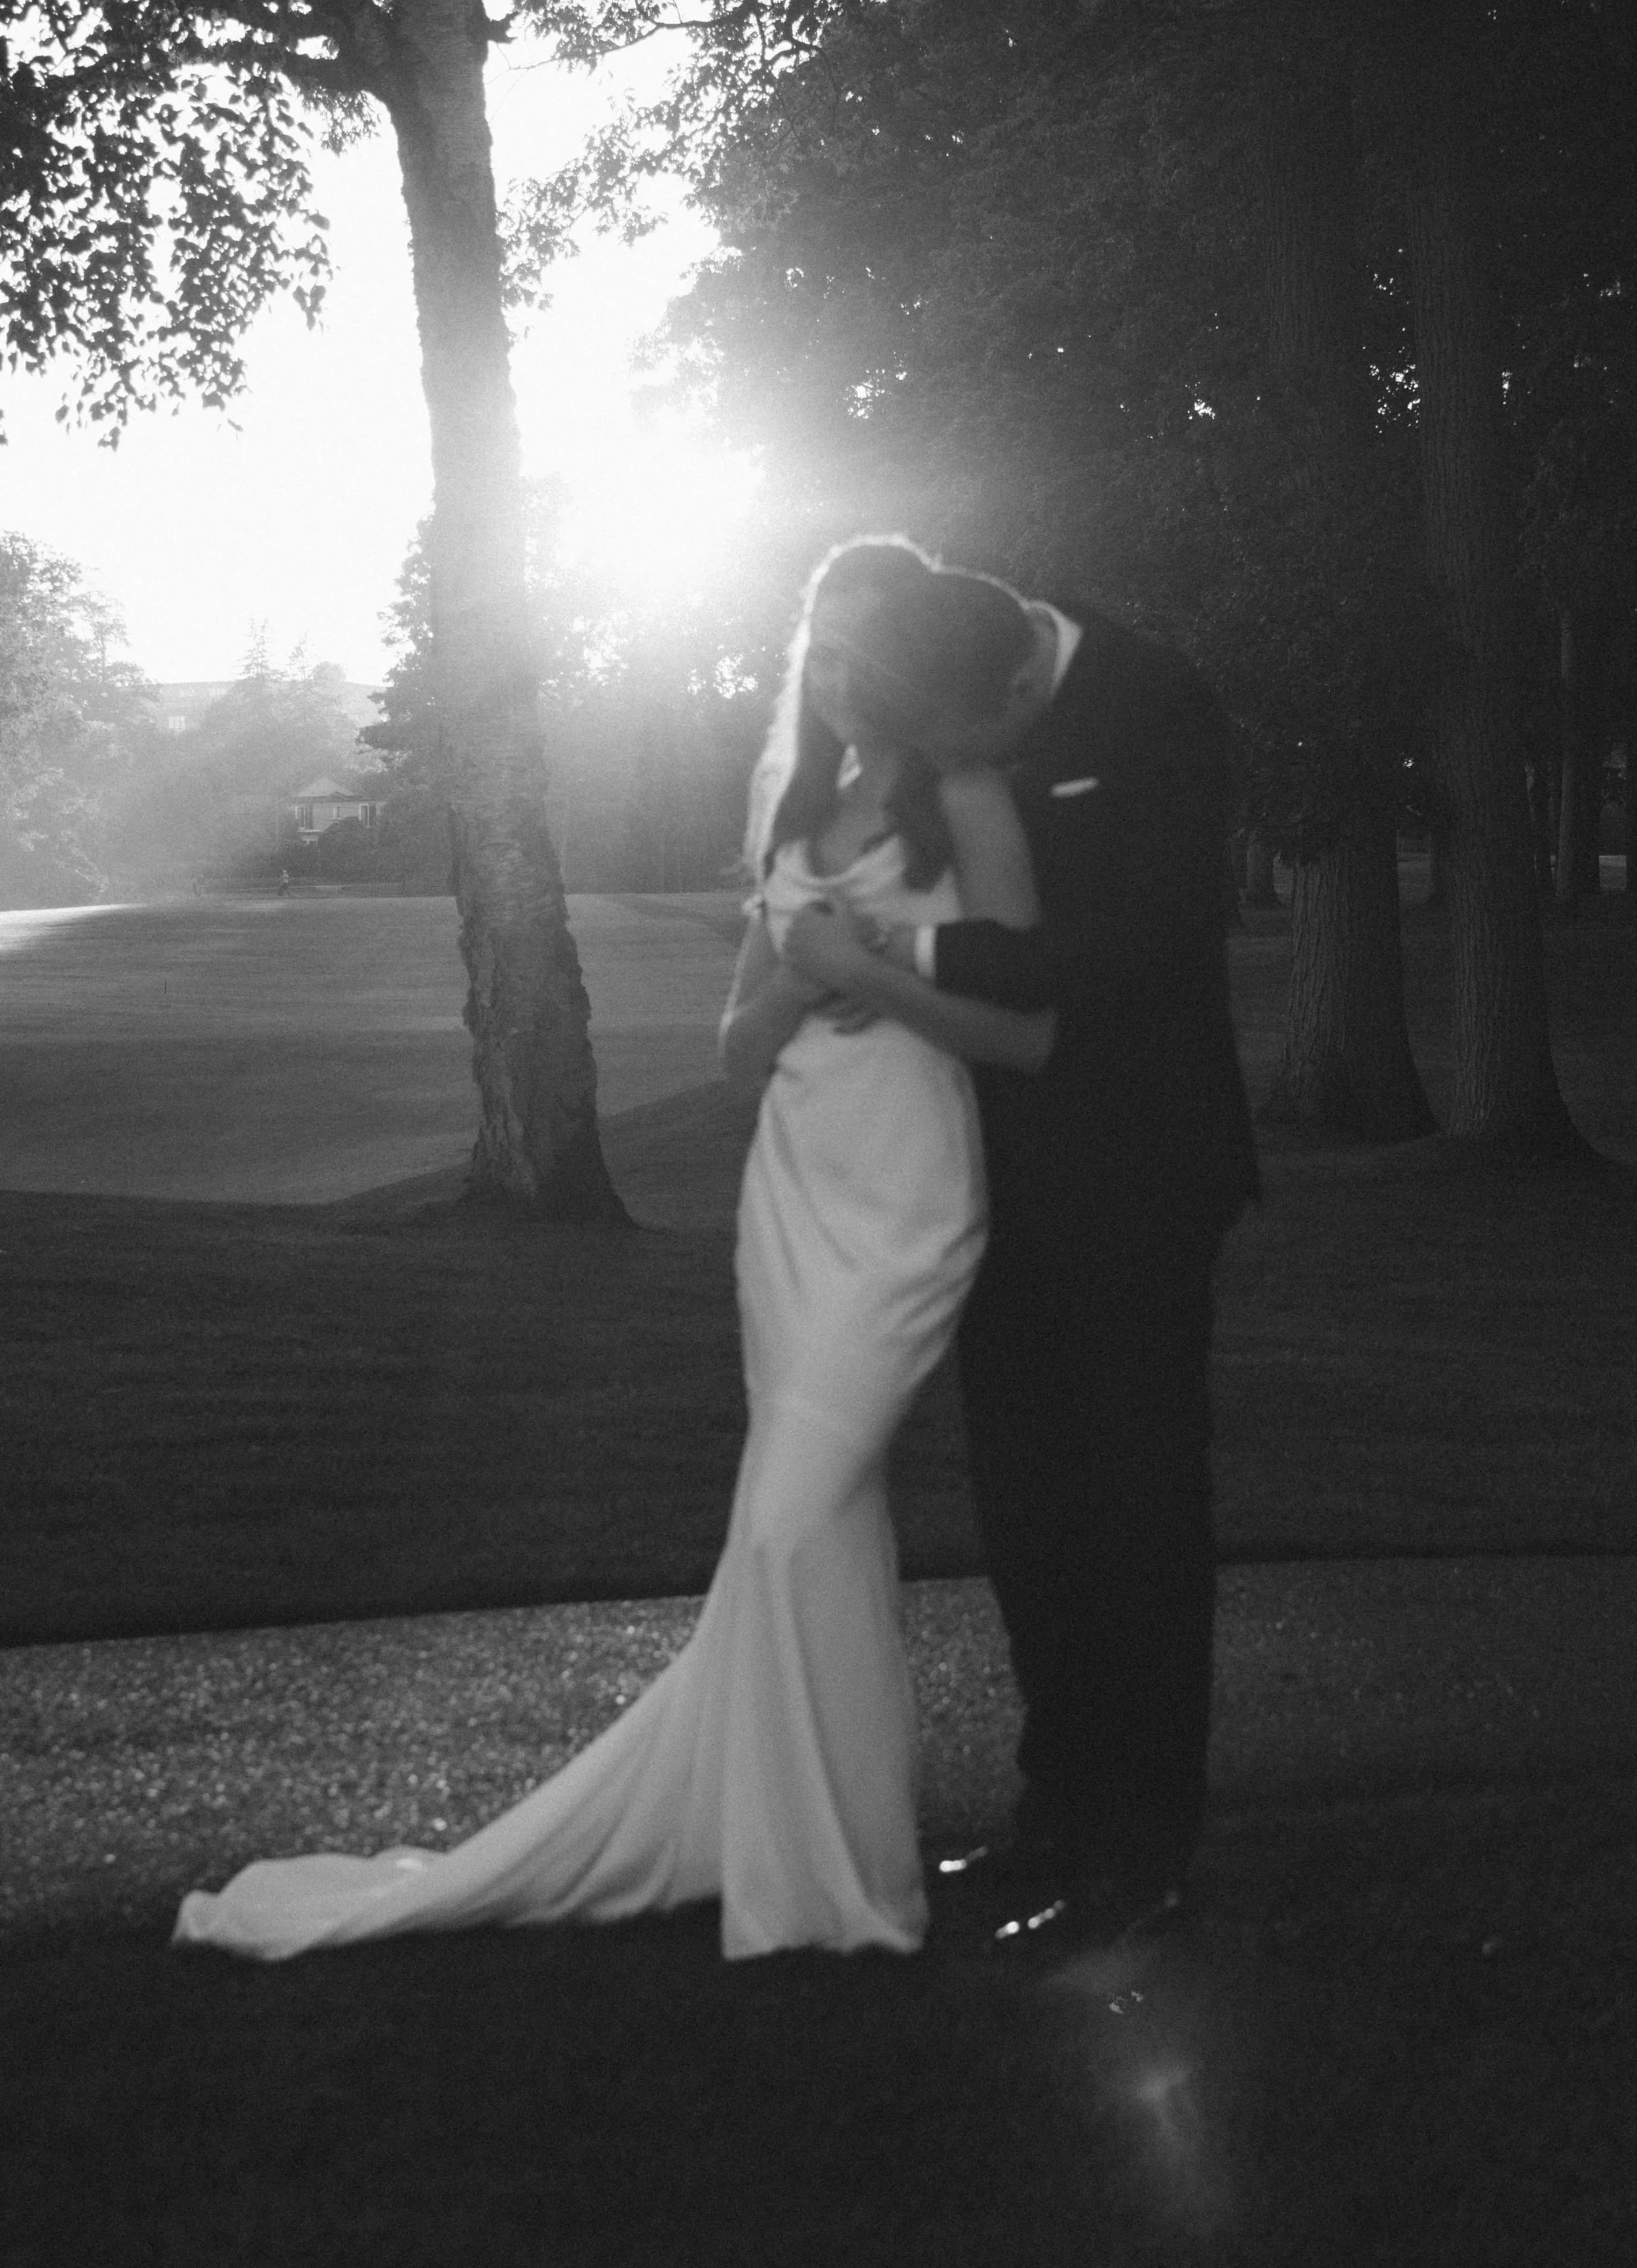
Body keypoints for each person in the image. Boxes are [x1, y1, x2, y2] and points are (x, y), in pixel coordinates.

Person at [172, 542, 1054, 1966]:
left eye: (864, 654)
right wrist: (800, 985)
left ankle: (814, 1862)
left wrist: (867, 973)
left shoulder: (966, 804)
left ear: (916, 667)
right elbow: (734, 1041)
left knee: (789, 1513)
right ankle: (827, 1862)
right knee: (815, 1529)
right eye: (818, 652)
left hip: (909, 1190)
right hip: (796, 1190)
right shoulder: (794, 806)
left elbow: (1028, 1033)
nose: (835, 679)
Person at [784, 543, 1259, 1956]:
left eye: (962, 741)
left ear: (1012, 679)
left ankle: (1143, 1845)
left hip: (1140, 1175)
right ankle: (1053, 1812)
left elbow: (1137, 949)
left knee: (1137, 1516)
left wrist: (901, 964)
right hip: (989, 1177)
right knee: (1029, 1511)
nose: (948, 764)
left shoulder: (1153, 706)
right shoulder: (951, 681)